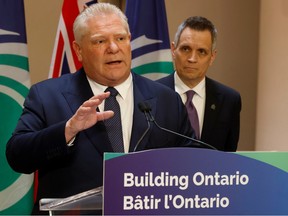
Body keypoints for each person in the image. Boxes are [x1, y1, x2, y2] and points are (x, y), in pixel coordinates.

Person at [5, 3, 195, 215]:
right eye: (100, 41)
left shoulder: (166, 99)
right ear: (78, 50)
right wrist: (68, 130)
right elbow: (17, 156)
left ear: (129, 40)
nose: (113, 48)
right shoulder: (46, 96)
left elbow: (193, 161)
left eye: (120, 38)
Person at [157, 16, 241, 151]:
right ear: (173, 50)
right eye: (185, 49)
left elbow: (229, 156)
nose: (192, 59)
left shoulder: (229, 100)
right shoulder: (150, 95)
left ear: (212, 57)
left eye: (201, 52)